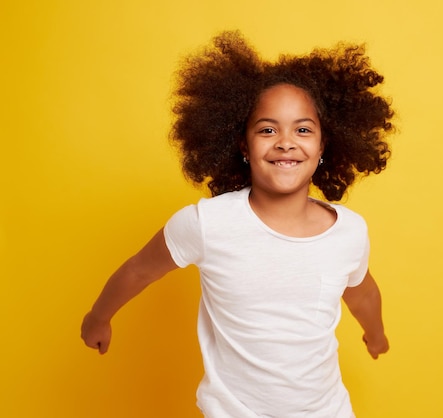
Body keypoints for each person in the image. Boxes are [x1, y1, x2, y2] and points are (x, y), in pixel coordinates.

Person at [81, 30, 394, 417]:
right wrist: (99, 317)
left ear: (324, 145)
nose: (285, 142)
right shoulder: (206, 224)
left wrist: (375, 335)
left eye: (303, 129)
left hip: (326, 409)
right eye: (267, 129)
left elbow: (361, 292)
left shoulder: (348, 231)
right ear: (244, 146)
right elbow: (140, 270)